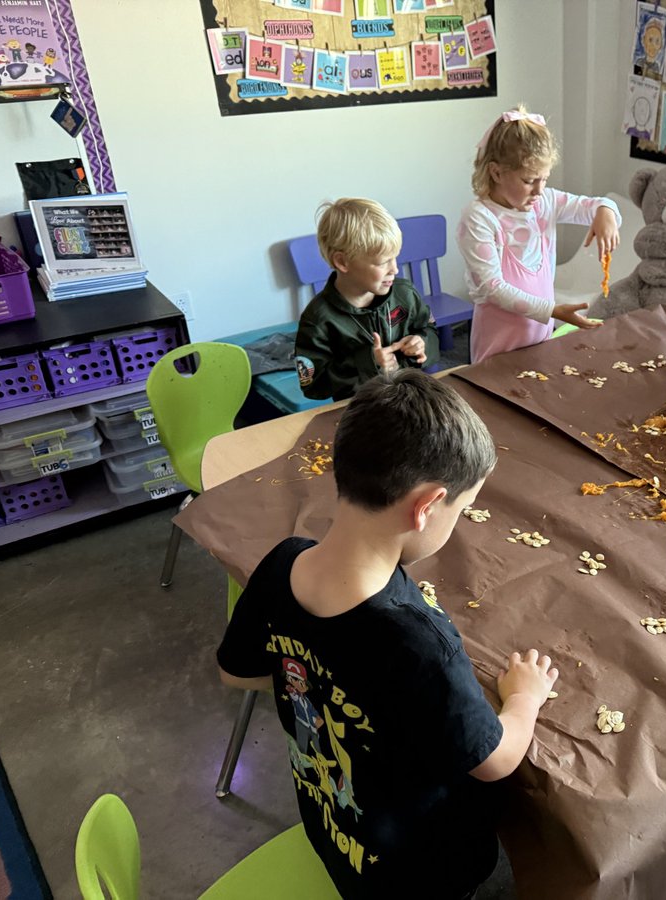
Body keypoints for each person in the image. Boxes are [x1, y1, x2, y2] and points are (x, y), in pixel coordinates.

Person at [217, 370, 559, 899]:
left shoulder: (281, 563)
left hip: (336, 836)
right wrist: (525, 700)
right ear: (426, 507)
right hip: (419, 874)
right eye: (460, 511)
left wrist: (318, 680)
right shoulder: (418, 643)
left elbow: (236, 673)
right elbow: (494, 762)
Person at [457, 106, 620, 363]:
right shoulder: (479, 218)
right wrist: (552, 310)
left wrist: (606, 211)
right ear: (496, 172)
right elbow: (493, 288)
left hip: (539, 337)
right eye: (529, 180)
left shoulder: (546, 202)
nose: (539, 190)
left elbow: (593, 205)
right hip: (498, 342)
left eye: (544, 179)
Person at [294, 198, 439, 401]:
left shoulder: (405, 293)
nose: (395, 269)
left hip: (412, 398)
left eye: (395, 257)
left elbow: (429, 330)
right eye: (383, 262)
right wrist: (368, 362)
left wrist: (422, 343)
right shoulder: (317, 319)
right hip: (360, 410)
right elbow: (313, 386)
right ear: (342, 262)